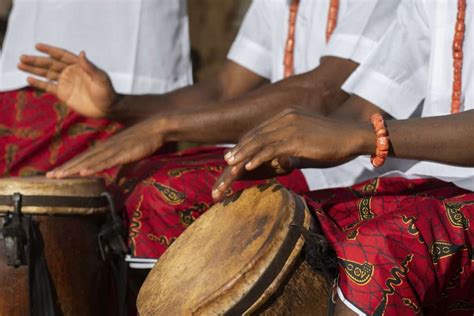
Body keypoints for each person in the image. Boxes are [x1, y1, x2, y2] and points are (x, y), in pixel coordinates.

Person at [18, 0, 402, 265]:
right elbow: (223, 88)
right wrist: (118, 106)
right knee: (121, 180)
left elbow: (321, 92)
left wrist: (164, 125)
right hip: (286, 154)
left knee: (165, 194)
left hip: (350, 166)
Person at [214, 0, 474, 314]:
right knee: (273, 226)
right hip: (428, 184)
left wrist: (362, 137)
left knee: (376, 251)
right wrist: (293, 150)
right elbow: (368, 105)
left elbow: (327, 95)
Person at [1, 0, 192, 177]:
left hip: (135, 73)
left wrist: (124, 106)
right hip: (31, 72)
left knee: (127, 199)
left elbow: (220, 91)